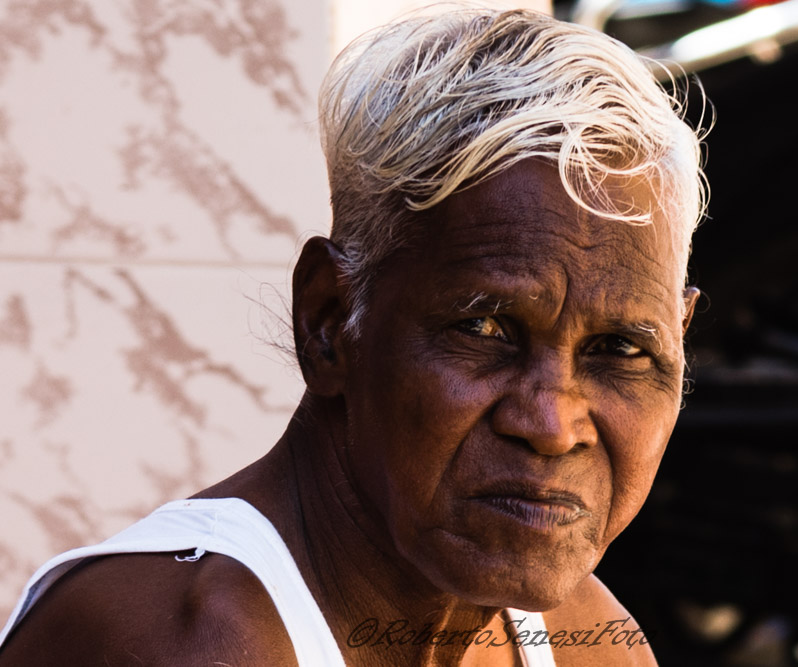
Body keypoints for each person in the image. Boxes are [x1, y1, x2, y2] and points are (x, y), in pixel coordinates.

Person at [0, 7, 704, 666]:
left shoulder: (586, 642)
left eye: (620, 349)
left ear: (680, 339)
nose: (552, 424)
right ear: (330, 319)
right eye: (485, 328)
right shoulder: (193, 640)